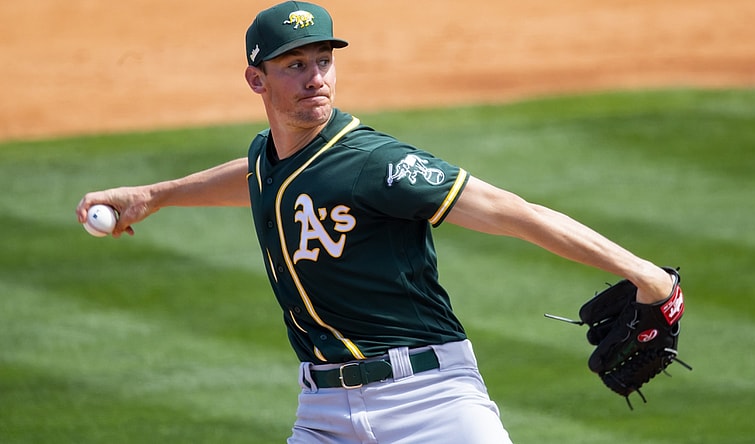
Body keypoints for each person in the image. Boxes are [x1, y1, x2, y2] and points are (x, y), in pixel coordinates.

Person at [76, 2, 678, 442]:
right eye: (294, 66)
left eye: (322, 61)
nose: (315, 77)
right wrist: (154, 195)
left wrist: (644, 274)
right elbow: (259, 178)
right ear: (255, 79)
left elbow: (513, 213)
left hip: (430, 403)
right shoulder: (269, 158)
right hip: (322, 415)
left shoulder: (376, 164)